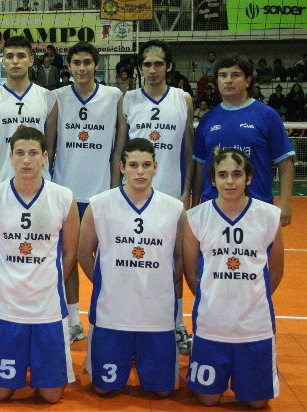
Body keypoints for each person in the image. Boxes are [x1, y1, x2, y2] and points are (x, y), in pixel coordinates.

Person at [78, 138, 185, 396]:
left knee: (162, 392)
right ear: (122, 167)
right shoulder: (99, 204)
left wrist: (161, 284)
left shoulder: (174, 209)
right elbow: (83, 253)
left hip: (156, 314)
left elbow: (182, 258)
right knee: (103, 389)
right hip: (112, 312)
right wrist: (106, 282)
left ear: (155, 167)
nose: (140, 172)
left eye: (146, 165)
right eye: (133, 165)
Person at [0, 127, 79, 403]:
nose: (26, 160)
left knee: (51, 396)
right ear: (10, 156)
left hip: (47, 307)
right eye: (20, 153)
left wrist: (48, 283)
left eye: (33, 153)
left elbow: (69, 253)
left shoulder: (63, 197)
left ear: (45, 157)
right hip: (5, 305)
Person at [111, 39, 194, 354]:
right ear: (140, 68)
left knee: (173, 260)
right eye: (147, 64)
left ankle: (177, 325)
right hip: (132, 195)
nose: (153, 70)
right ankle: (130, 321)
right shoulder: (129, 99)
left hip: (170, 193)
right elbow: (120, 148)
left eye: (159, 64)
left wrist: (186, 192)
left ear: (169, 66)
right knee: (133, 258)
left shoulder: (182, 99)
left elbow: (188, 149)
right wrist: (116, 191)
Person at [184, 148, 284, 409]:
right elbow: (191, 271)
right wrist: (211, 298)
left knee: (257, 403)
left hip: (254, 323)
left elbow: (276, 271)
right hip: (211, 322)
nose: (230, 181)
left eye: (237, 174)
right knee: (207, 399)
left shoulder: (268, 215)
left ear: (248, 178)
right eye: (223, 175)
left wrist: (252, 298)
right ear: (213, 179)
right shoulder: (196, 217)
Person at [53, 41, 122, 345]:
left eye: (87, 62)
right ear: (69, 67)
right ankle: (74, 322)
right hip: (66, 192)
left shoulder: (114, 96)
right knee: (67, 258)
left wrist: (115, 187)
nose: (82, 68)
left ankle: (109, 315)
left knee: (106, 258)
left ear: (97, 65)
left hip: (100, 193)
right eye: (76, 63)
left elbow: (118, 146)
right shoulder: (57, 97)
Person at [192, 52, 295, 229]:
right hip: (213, 209)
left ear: (248, 81)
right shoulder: (208, 119)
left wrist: (285, 201)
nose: (228, 80)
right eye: (223, 75)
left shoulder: (267, 115)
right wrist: (195, 205)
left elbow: (285, 161)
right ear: (217, 81)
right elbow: (200, 167)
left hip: (258, 207)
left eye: (235, 75)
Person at [0, 36, 57, 186]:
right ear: (3, 62)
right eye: (9, 57)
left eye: (21, 56)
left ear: (31, 60)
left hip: (40, 181)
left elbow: (50, 147)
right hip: (3, 181)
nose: (15, 61)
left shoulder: (48, 97)